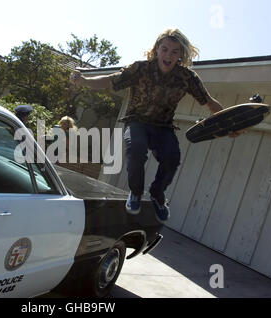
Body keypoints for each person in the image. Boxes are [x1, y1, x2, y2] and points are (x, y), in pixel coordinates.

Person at [70, 28, 239, 221]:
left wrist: (227, 124)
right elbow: (109, 81)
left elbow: (208, 101)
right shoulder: (140, 69)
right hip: (138, 122)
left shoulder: (187, 78)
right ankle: (135, 193)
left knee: (172, 157)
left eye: (174, 52)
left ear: (181, 55)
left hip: (163, 127)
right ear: (157, 49)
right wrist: (83, 80)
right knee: (136, 150)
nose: (168, 55)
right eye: (165, 49)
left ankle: (158, 195)